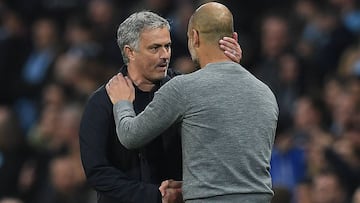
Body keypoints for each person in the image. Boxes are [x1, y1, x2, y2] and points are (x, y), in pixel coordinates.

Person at [106, 2, 279, 203]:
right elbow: (238, 162)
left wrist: (122, 103)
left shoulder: (184, 88)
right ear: (233, 39)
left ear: (195, 37)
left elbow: (130, 135)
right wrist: (192, 185)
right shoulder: (265, 92)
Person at [79, 10, 242, 203]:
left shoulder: (184, 88)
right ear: (130, 52)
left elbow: (220, 120)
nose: (165, 55)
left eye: (168, 46)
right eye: (155, 48)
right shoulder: (102, 102)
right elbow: (98, 171)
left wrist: (230, 70)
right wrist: (157, 196)